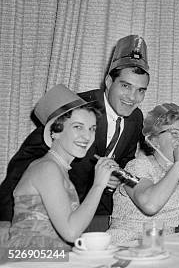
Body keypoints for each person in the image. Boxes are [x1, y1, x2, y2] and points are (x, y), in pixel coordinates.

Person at [0, 35, 150, 231]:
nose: (133, 97)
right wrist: (5, 221)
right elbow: (24, 162)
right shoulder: (76, 108)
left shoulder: (136, 118)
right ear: (108, 81)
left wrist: (114, 177)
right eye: (125, 86)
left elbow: (123, 161)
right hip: (50, 217)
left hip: (95, 214)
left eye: (141, 90)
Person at [2, 85, 117, 251]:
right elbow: (71, 232)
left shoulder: (59, 168)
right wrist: (98, 185)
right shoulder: (47, 168)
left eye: (92, 129)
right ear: (54, 132)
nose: (87, 136)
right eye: (78, 127)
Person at [107, 103, 179, 244]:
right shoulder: (135, 167)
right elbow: (150, 205)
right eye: (175, 133)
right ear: (154, 140)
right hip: (128, 244)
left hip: (164, 244)